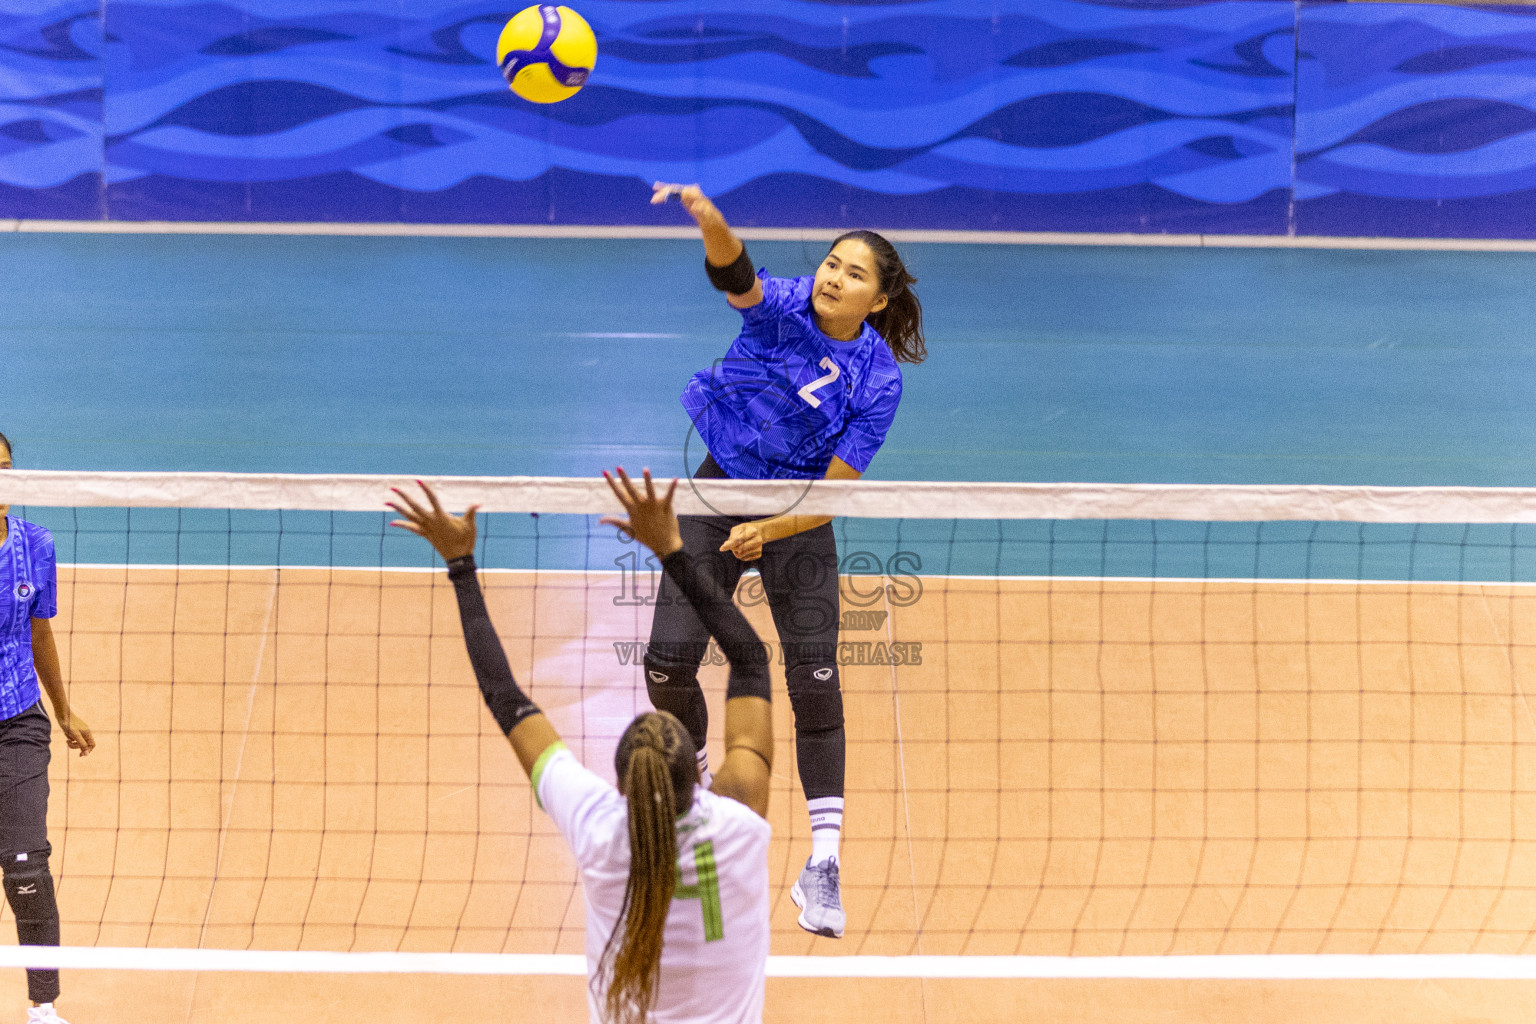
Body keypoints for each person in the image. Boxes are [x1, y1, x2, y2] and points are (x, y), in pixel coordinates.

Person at [387, 470, 773, 1024]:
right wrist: (672, 549)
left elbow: (506, 697)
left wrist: (461, 565)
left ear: (620, 784)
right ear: (698, 774)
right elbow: (751, 659)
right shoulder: (740, 823)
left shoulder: (597, 829)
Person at [646, 182, 926, 938]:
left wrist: (768, 531)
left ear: (877, 299)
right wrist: (711, 222)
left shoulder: (878, 379)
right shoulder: (791, 304)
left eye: (854, 273)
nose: (834, 277)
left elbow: (836, 492)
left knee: (814, 677)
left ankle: (824, 864)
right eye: (833, 263)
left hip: (798, 514)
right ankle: (699, 813)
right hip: (721, 485)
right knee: (667, 663)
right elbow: (740, 280)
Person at [0, 431, 95, 1024]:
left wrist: (63, 711)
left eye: (5, 467)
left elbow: (38, 634)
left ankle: (43, 1006)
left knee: (26, 864)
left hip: (18, 721)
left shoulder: (36, 545)